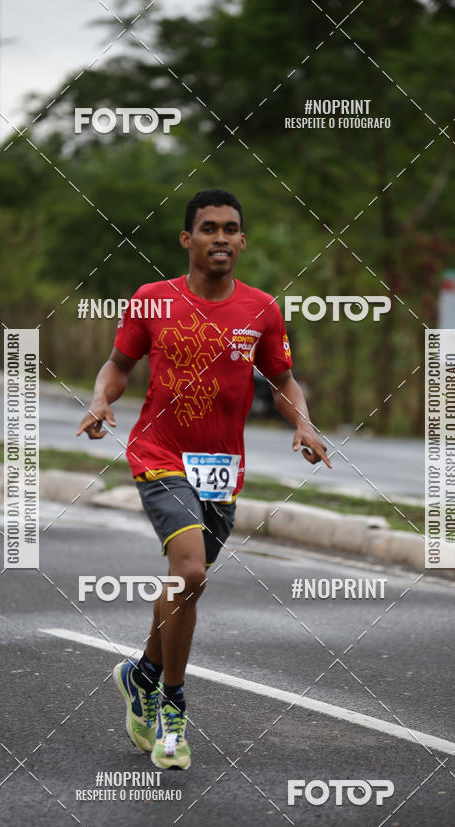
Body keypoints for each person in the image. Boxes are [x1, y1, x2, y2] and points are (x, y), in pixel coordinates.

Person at [77, 188, 331, 770]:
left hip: (220, 469)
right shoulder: (151, 301)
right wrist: (99, 399)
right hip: (158, 453)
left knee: (184, 585)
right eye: (209, 227)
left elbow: (284, 379)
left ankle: (140, 674)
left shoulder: (262, 309)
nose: (221, 237)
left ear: (242, 240)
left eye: (231, 228)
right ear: (187, 239)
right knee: (190, 570)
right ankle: (172, 705)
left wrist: (305, 425)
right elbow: (118, 365)